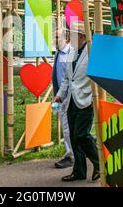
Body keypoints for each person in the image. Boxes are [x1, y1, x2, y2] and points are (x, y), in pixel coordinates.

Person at [53, 21, 100, 182]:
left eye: (71, 34)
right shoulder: (73, 52)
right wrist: (60, 95)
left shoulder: (92, 51)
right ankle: (79, 171)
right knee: (74, 137)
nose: (68, 37)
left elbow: (98, 77)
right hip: (71, 101)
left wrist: (95, 98)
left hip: (87, 100)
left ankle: (99, 163)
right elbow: (67, 78)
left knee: (81, 135)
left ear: (81, 36)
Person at [52, 28, 74, 169]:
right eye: (54, 37)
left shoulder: (70, 55)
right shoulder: (58, 54)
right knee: (66, 126)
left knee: (67, 128)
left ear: (66, 39)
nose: (55, 40)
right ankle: (74, 152)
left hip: (68, 97)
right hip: (59, 96)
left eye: (57, 37)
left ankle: (70, 156)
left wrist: (65, 96)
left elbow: (70, 78)